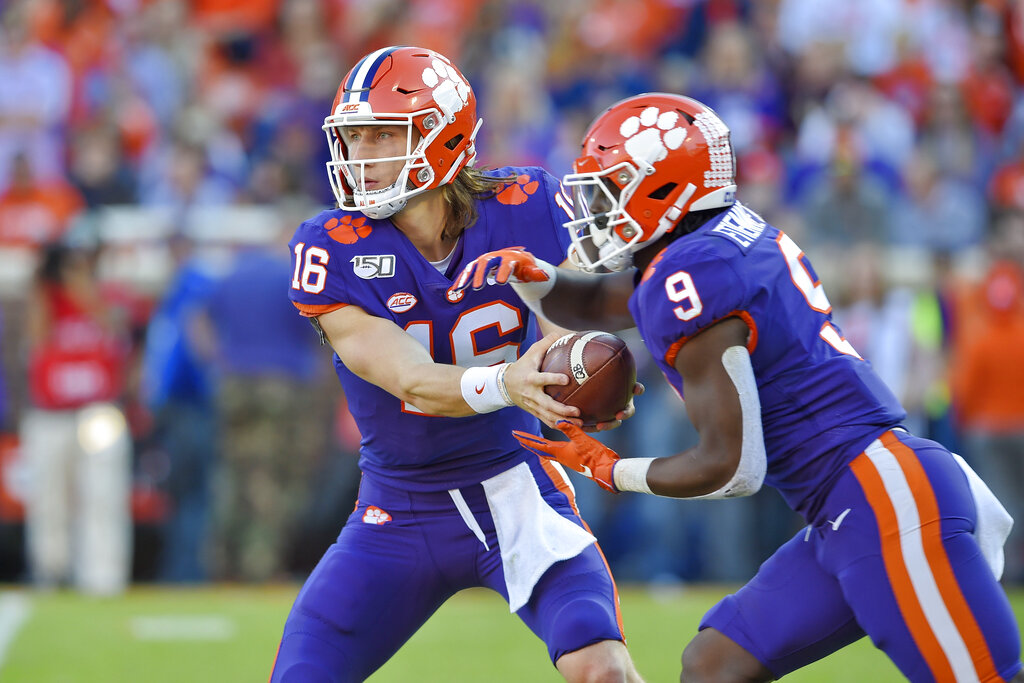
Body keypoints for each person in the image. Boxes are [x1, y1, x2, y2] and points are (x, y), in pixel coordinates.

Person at [452, 92, 1024, 683]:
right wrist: (529, 274)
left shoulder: (693, 273)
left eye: (615, 185)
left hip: (882, 498)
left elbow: (732, 467)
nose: (601, 205)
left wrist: (610, 468)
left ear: (663, 187)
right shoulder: (709, 245)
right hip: (848, 505)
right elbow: (601, 300)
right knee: (714, 666)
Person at [269, 46, 642, 683]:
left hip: (517, 491)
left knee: (602, 668)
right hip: (397, 510)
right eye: (353, 137)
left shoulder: (526, 203)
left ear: (443, 138)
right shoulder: (331, 244)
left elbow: (572, 322)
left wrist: (582, 376)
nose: (361, 155)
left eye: (383, 134)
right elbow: (410, 379)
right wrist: (510, 381)